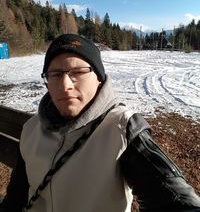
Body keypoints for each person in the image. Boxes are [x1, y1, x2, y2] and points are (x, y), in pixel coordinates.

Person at [0, 33, 200, 212]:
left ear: (99, 78)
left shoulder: (122, 129)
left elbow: (174, 199)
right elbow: (17, 196)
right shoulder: (31, 129)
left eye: (77, 72)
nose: (65, 85)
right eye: (55, 74)